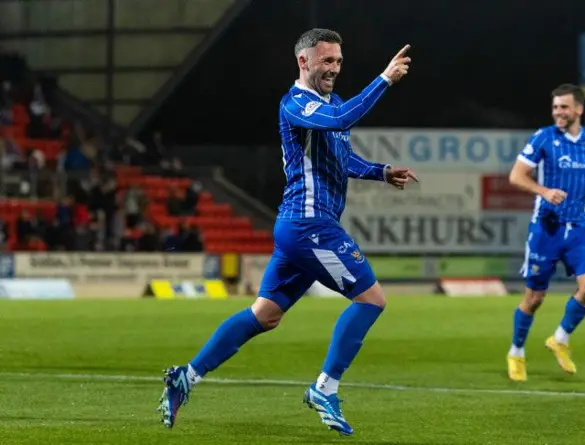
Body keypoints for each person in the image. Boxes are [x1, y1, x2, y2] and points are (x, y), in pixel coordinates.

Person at [157, 28, 417, 435]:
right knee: (372, 300)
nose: (334, 69)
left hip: (301, 229)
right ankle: (324, 388)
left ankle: (185, 376)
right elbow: (343, 119)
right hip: (309, 225)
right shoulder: (296, 103)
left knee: (265, 315)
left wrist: (381, 173)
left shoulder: (328, 104)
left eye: (338, 62)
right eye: (326, 61)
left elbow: (343, 157)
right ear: (304, 62)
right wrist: (384, 78)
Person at [506, 84, 585, 382]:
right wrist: (543, 190)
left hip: (578, 227)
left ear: (578, 109)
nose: (558, 113)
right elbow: (516, 175)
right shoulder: (543, 137)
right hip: (546, 230)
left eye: (563, 107)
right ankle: (516, 351)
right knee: (534, 298)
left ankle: (560, 338)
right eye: (554, 107)